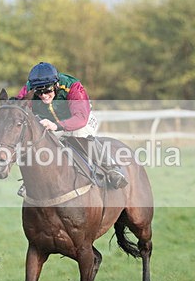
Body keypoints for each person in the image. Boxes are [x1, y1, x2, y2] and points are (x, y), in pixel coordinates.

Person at [15, 61, 128, 189]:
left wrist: (56, 126)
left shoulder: (73, 87)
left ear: (56, 84)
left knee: (80, 135)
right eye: (39, 93)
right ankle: (30, 181)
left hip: (80, 120)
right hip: (51, 122)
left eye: (47, 91)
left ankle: (111, 169)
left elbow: (80, 118)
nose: (44, 96)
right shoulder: (29, 87)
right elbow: (19, 106)